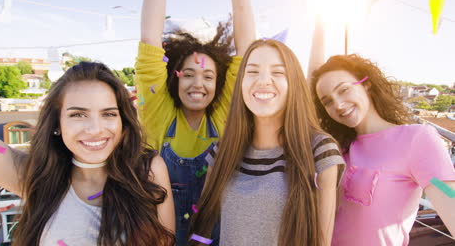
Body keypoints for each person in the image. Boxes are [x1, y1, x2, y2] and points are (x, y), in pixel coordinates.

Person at [0, 62, 175, 245]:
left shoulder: (148, 171)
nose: (95, 129)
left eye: (108, 114)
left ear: (122, 121)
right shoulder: (37, 176)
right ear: (57, 124)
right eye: (78, 114)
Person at [189, 39, 345, 246]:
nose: (263, 81)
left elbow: (321, 241)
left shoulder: (320, 150)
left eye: (278, 72)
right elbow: (204, 228)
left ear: (294, 83)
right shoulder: (223, 151)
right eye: (252, 72)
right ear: (241, 83)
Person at [136, 0, 255, 244]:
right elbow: (149, 39)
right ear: (174, 80)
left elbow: (247, 49)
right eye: (187, 74)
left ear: (219, 84)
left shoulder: (225, 115)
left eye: (208, 76)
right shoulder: (159, 114)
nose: (198, 84)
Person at [311, 54, 455, 245]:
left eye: (344, 90)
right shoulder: (337, 148)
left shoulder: (416, 139)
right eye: (327, 101)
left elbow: (448, 193)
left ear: (366, 84)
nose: (338, 104)